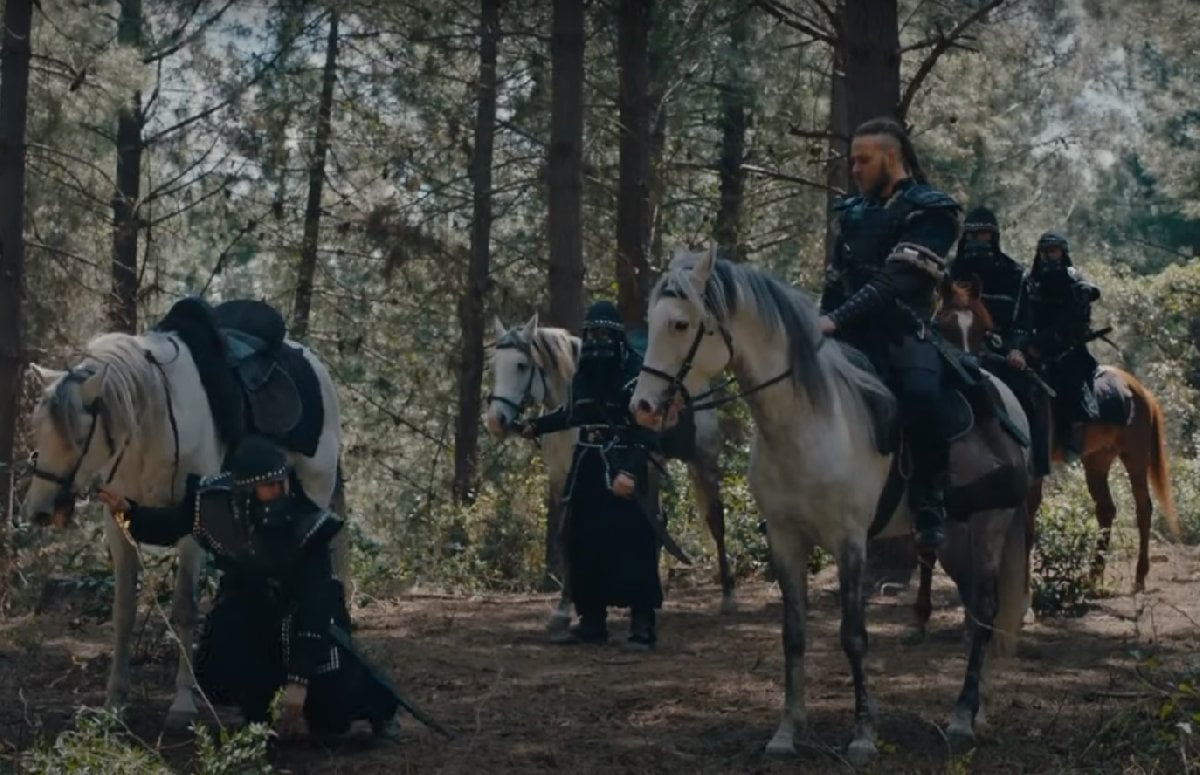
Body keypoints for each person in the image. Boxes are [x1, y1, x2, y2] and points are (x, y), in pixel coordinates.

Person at [96, 435, 402, 742]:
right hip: (250, 613)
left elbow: (316, 605)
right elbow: (167, 525)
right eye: (268, 486)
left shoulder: (309, 525)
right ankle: (258, 711)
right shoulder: (212, 504)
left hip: (306, 624)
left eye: (281, 483)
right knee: (229, 646)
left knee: (334, 706)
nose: (279, 492)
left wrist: (298, 683)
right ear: (245, 491)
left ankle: (364, 712)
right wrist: (128, 513)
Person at [817, 117, 962, 550]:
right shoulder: (850, 213)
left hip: (902, 334)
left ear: (891, 156)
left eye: (863, 160)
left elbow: (894, 280)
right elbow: (834, 281)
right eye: (853, 160)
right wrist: (819, 326)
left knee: (921, 395)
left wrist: (834, 320)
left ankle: (928, 501)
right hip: (846, 335)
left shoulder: (932, 211)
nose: (855, 169)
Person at [518, 301, 664, 650]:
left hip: (623, 467)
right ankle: (592, 621)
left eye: (604, 334)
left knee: (634, 546)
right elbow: (572, 414)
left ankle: (642, 625)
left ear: (617, 337)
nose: (597, 342)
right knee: (583, 544)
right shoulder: (583, 374)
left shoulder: (636, 373)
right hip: (587, 467)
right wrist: (535, 425)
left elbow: (648, 431)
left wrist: (629, 470)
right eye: (591, 334)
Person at [949, 206, 1052, 476]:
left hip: (1001, 355)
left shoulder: (1014, 275)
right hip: (955, 353)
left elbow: (1024, 322)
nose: (977, 241)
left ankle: (1033, 468)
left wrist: (1016, 348)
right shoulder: (950, 272)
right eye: (972, 236)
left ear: (993, 237)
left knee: (1032, 395)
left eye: (983, 234)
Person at [1014, 231, 1101, 461]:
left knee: (1071, 384)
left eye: (1053, 251)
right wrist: (1026, 343)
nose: (1048, 256)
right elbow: (1023, 315)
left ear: (1062, 253)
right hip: (1035, 349)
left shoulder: (1074, 279)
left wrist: (1085, 293)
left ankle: (1074, 435)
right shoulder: (1031, 282)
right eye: (1044, 252)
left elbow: (1080, 313)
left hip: (1067, 349)